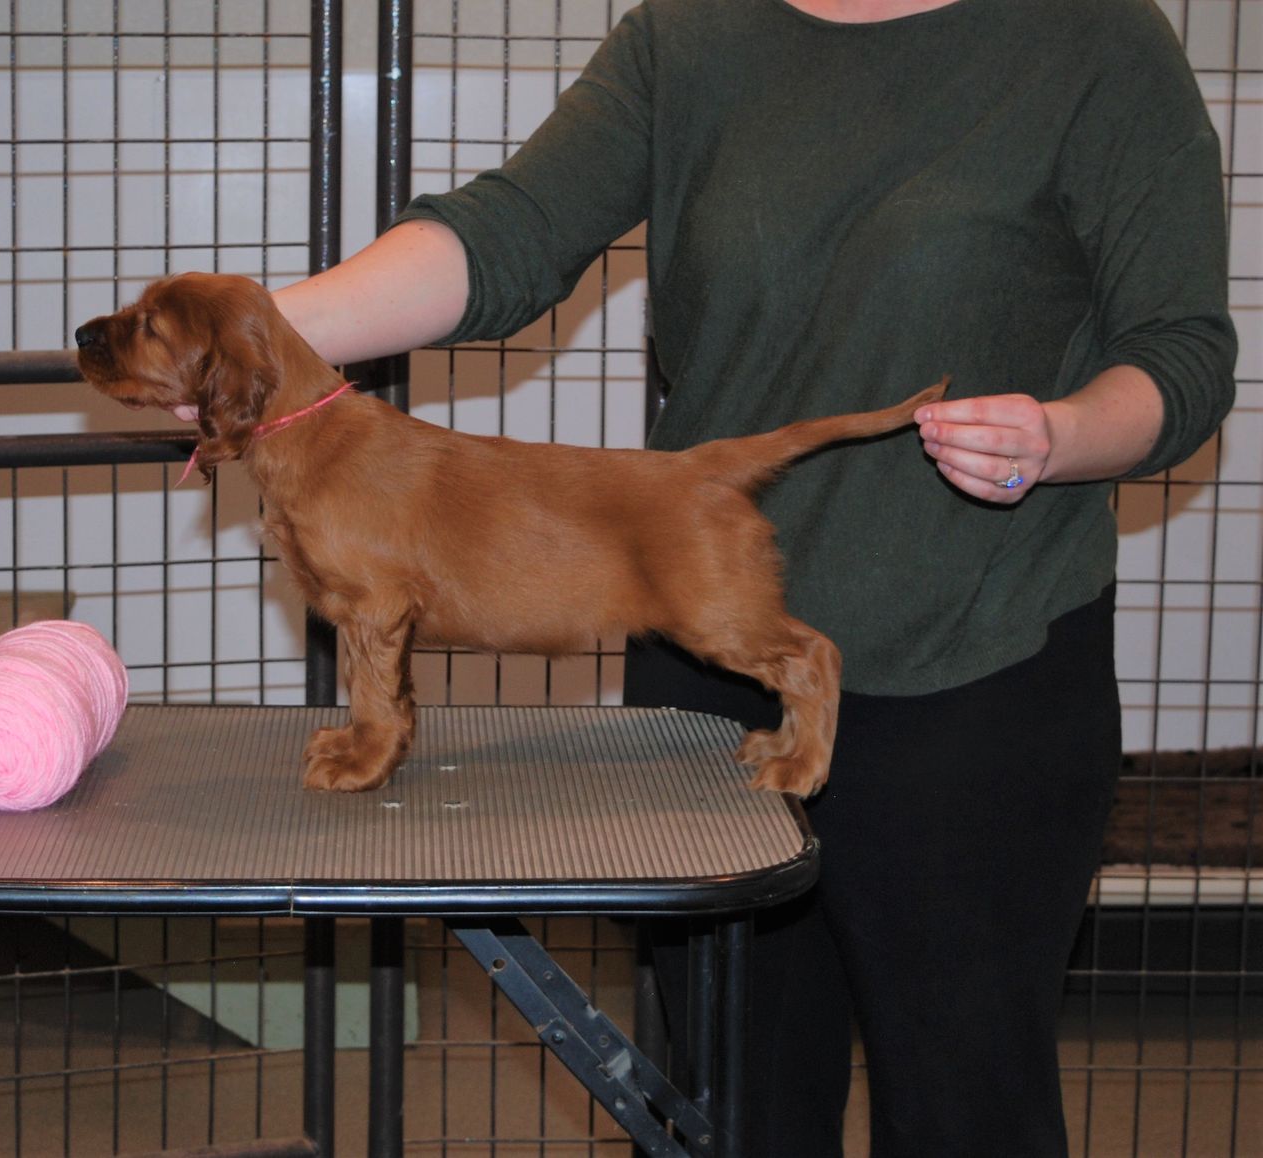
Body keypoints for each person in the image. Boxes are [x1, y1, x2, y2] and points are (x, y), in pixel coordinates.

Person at [181, 0, 1238, 1151]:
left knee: (965, 1110)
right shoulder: (688, 34)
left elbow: (1180, 349)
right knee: (730, 1113)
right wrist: (244, 343)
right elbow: (510, 231)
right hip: (709, 694)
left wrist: (1060, 435)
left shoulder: (1092, 41)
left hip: (971, 666)